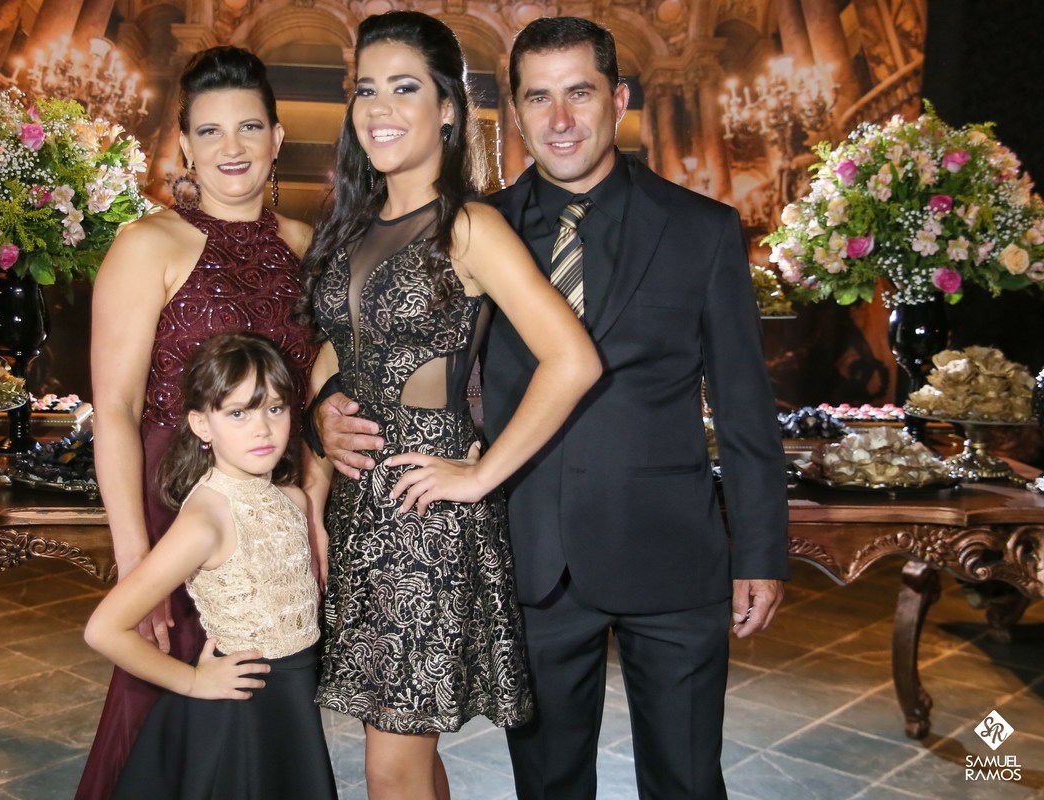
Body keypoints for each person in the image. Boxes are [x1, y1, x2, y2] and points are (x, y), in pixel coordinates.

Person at [316, 16, 789, 800]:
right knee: (548, 787)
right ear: (515, 110)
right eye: (538, 98)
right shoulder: (476, 224)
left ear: (619, 99)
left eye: (580, 93)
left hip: (671, 554)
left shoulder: (700, 230)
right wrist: (324, 414)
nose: (560, 118)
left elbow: (745, 405)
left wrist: (762, 551)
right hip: (532, 555)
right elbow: (391, 346)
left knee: (686, 782)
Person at [299, 11, 602, 800]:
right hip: (359, 513)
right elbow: (334, 349)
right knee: (404, 747)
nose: (379, 108)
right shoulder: (352, 226)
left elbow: (573, 360)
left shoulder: (469, 226)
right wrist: (320, 427)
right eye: (367, 89)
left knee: (389, 765)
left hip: (424, 519)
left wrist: (481, 474)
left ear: (446, 108)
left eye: (405, 88)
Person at [78, 47, 317, 798]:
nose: (231, 148)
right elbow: (116, 409)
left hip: (272, 504)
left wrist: (311, 513)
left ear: (277, 138)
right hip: (175, 504)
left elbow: (312, 401)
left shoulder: (305, 246)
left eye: (249, 127)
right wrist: (135, 560)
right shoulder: (146, 244)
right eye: (210, 131)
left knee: (265, 696)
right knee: (161, 692)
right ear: (184, 144)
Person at [85, 332, 336, 799]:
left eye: (275, 408)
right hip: (237, 717)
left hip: (292, 711)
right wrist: (193, 680)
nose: (262, 429)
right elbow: (104, 629)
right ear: (202, 425)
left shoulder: (293, 500)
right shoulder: (207, 519)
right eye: (238, 413)